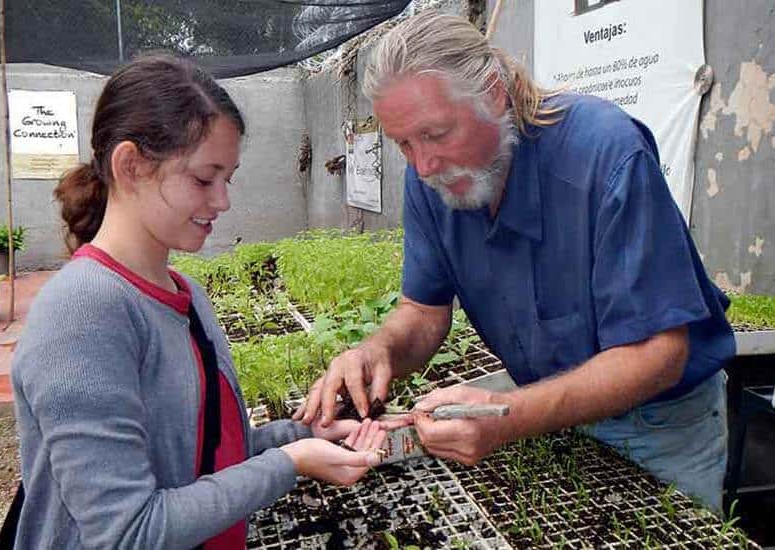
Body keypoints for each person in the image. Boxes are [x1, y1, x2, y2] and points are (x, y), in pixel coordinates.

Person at [296, 12, 735, 512]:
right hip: (543, 404)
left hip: (660, 424)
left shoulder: (606, 153)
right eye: (404, 144)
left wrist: (513, 416)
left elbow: (658, 354)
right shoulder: (427, 181)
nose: (423, 166)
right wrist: (379, 352)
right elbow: (422, 313)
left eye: (437, 133)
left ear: (494, 94)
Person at [10, 54, 386, 549]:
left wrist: (304, 437)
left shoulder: (185, 294)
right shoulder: (83, 314)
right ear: (130, 166)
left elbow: (200, 456)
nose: (223, 201)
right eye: (204, 178)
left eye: (227, 178)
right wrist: (289, 464)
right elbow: (128, 532)